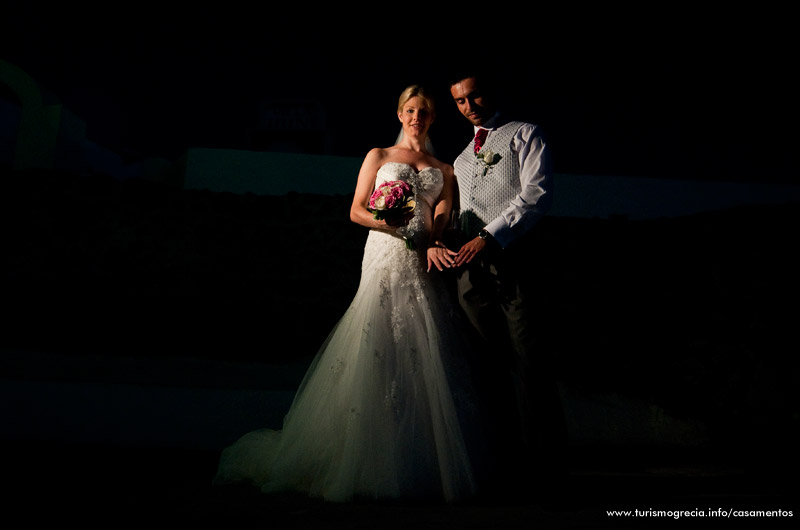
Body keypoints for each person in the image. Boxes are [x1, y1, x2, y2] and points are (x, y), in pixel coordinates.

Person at [214, 85, 485, 503]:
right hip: (385, 251)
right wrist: (396, 224)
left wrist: (430, 237)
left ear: (433, 118)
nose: (418, 117)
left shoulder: (444, 169)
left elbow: (443, 215)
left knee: (424, 343)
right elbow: (357, 210)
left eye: (425, 112)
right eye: (411, 110)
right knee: (375, 335)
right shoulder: (378, 156)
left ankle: (419, 461)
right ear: (399, 114)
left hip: (421, 261)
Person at [449, 71, 567, 485]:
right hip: (470, 271)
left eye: (474, 96)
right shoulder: (461, 159)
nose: (469, 106)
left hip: (517, 260)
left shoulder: (525, 133)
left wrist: (488, 236)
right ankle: (504, 460)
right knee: (487, 362)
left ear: (490, 92)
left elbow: (536, 195)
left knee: (529, 357)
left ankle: (547, 465)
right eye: (460, 102)